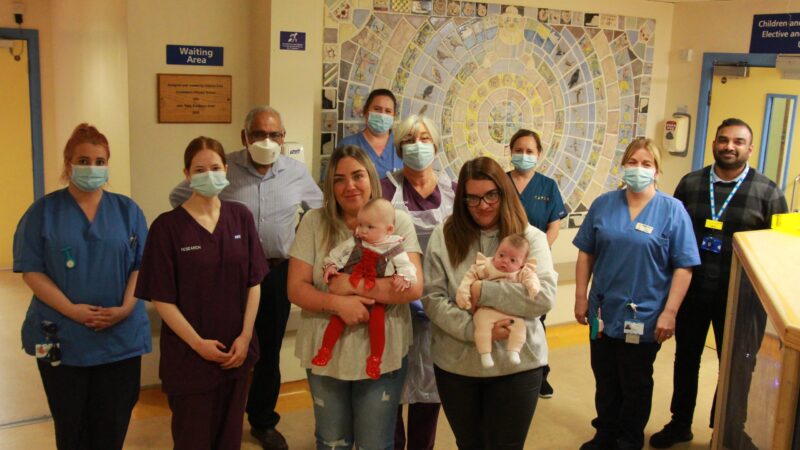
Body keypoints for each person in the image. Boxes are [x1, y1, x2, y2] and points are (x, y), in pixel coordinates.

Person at [169, 106, 322, 450]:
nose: (267, 141)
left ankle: (263, 421)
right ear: (244, 136)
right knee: (225, 344)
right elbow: (181, 197)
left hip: (275, 274)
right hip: (226, 275)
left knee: (266, 352)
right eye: (258, 134)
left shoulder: (296, 172)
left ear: (284, 137)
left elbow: (320, 212)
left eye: (275, 134)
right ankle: (220, 417)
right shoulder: (223, 167)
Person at [649, 118, 788, 449]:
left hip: (742, 299)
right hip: (693, 293)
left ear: (749, 148)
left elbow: (778, 249)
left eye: (738, 141)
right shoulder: (691, 183)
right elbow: (671, 236)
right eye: (724, 140)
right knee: (686, 360)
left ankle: (726, 429)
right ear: (713, 143)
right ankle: (680, 423)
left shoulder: (768, 192)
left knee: (738, 367)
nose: (730, 146)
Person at [13, 123, 151, 450]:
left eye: (100, 161)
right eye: (84, 160)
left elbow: (142, 266)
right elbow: (31, 270)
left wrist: (125, 309)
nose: (92, 168)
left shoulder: (127, 210)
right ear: (68, 164)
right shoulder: (42, 213)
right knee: (72, 425)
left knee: (113, 423)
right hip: (63, 334)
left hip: (120, 337)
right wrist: (72, 311)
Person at [287, 145, 424, 449]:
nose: (349, 186)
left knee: (375, 443)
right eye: (339, 179)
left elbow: (413, 288)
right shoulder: (314, 222)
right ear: (329, 186)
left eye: (357, 176)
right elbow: (296, 288)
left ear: (371, 179)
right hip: (325, 352)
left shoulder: (396, 221)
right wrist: (337, 303)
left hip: (382, 352)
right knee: (331, 440)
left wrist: (349, 285)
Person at [136, 137, 267, 450]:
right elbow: (161, 298)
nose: (208, 175)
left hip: (236, 351)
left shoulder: (241, 217)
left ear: (226, 170)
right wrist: (198, 345)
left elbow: (254, 282)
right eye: (199, 169)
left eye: (215, 168)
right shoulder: (167, 228)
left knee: (229, 439)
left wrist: (246, 336)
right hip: (190, 358)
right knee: (193, 439)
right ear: (186, 173)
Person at [573, 138, 700, 450]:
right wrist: (579, 296)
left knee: (635, 381)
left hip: (645, 314)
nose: (638, 169)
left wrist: (670, 313)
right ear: (623, 166)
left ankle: (629, 437)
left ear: (656, 171)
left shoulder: (672, 211)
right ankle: (605, 432)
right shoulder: (603, 204)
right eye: (632, 162)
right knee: (605, 377)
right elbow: (586, 253)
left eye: (646, 164)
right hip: (601, 310)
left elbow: (684, 266)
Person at [423, 156, 557, 450]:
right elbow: (433, 299)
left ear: (503, 192)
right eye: (472, 198)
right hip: (457, 366)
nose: (482, 205)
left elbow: (544, 298)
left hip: (517, 367)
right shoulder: (444, 237)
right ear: (461, 199)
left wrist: (481, 293)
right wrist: (474, 330)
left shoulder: (529, 237)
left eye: (491, 195)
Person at [384, 115, 456, 450]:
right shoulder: (385, 189)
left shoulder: (453, 192)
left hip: (440, 307)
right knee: (393, 387)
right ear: (399, 147)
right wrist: (407, 294)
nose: (418, 146)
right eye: (410, 140)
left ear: (436, 145)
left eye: (425, 139)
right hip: (395, 306)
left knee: (430, 388)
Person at [315, 198, 418, 379]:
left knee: (377, 321)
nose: (362, 230)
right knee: (337, 319)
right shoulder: (355, 241)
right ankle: (325, 350)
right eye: (360, 225)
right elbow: (337, 254)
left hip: (376, 296)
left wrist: (404, 277)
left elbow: (407, 267)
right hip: (349, 294)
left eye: (370, 227)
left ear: (389, 230)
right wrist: (331, 265)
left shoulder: (393, 247)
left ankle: (375, 358)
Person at [506, 128, 566, 399]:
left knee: (536, 318)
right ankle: (506, 368)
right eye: (519, 150)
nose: (524, 155)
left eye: (530, 151)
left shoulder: (548, 186)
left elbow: (554, 224)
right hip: (503, 264)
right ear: (510, 151)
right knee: (505, 315)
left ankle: (540, 373)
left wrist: (537, 255)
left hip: (534, 264)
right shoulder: (501, 183)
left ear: (539, 154)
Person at [456, 233, 541, 368]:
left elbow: (531, 279)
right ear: (496, 252)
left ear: (522, 264)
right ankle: (485, 353)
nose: (505, 261)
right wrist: (464, 292)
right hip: (486, 310)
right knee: (482, 326)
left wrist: (533, 287)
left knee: (519, 327)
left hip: (511, 311)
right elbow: (469, 277)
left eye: (513, 260)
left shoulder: (521, 272)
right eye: (501, 255)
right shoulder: (487, 266)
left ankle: (514, 350)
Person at [339, 88, 403, 178]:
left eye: (388, 111)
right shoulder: (347, 145)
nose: (382, 115)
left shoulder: (402, 146)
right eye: (377, 109)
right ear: (365, 112)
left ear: (393, 116)